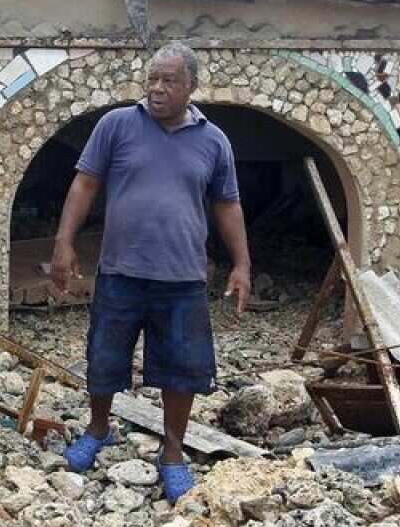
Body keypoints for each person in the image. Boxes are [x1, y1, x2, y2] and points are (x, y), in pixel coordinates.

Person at [51, 41, 251, 503]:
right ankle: (98, 429)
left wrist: (241, 263)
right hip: (121, 270)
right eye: (152, 80)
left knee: (183, 369)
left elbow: (227, 204)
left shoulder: (213, 140)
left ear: (191, 86)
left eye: (169, 81)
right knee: (103, 359)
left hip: (182, 279)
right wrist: (63, 241)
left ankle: (174, 453)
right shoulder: (116, 125)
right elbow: (85, 183)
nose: (157, 89)